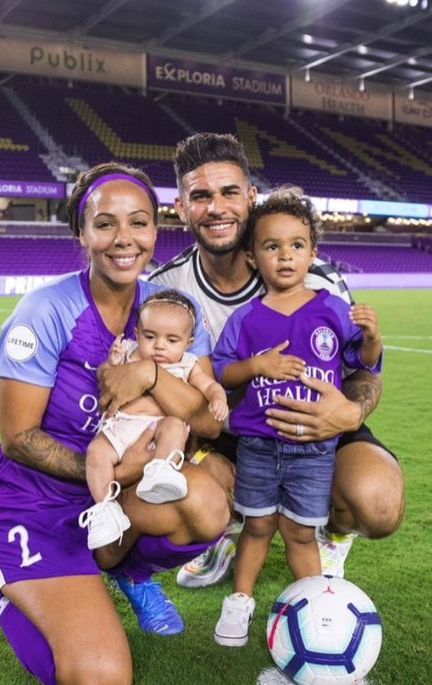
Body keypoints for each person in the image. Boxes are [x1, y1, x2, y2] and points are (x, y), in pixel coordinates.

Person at [0, 162, 230, 685]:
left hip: (116, 499)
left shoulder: (169, 312)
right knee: (98, 683)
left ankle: (126, 569)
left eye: (139, 223)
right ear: (82, 232)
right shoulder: (46, 310)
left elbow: (211, 422)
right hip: (37, 506)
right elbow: (19, 437)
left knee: (210, 501)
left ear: (155, 231)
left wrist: (148, 374)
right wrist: (114, 475)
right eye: (105, 224)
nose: (125, 239)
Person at [148, 132, 404, 585]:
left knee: (378, 502)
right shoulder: (167, 289)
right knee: (180, 465)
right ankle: (225, 529)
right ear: (183, 208)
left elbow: (362, 369)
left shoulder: (318, 280)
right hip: (226, 432)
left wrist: (349, 411)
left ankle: (329, 535)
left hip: (316, 419)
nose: (217, 207)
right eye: (200, 196)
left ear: (250, 196)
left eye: (229, 192)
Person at [211, 186, 383, 646]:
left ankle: (315, 607)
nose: (285, 256)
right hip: (259, 447)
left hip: (314, 450)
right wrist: (257, 367)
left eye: (296, 246)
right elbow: (222, 372)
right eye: (271, 246)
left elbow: (363, 365)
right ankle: (240, 602)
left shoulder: (332, 310)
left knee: (301, 534)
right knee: (258, 526)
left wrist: (371, 339)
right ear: (252, 259)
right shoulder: (245, 319)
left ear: (312, 253)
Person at [83, 288, 228, 548]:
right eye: (150, 337)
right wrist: (112, 363)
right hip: (121, 426)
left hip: (157, 428)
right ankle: (104, 509)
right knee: (96, 452)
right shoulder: (129, 352)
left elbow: (209, 387)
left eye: (172, 340)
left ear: (189, 342)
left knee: (175, 425)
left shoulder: (187, 364)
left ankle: (161, 470)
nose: (160, 346)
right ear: (136, 334)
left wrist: (219, 399)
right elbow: (106, 378)